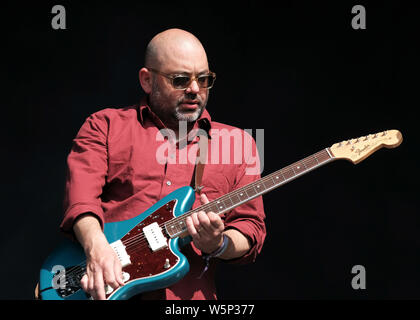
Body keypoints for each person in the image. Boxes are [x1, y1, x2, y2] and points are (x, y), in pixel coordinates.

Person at [60, 28, 266, 300]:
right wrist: (97, 249)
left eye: (204, 79)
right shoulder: (105, 126)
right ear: (147, 80)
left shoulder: (238, 145)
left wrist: (218, 244)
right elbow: (81, 199)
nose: (194, 89)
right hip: (101, 290)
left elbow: (250, 230)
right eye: (180, 79)